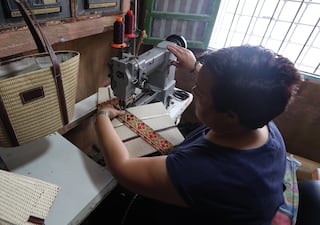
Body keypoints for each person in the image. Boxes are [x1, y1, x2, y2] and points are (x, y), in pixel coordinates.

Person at [94, 44, 302, 225]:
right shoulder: (257, 117)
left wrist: (102, 116)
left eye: (199, 92)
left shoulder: (209, 171)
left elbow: (122, 169)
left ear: (230, 116)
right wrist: (195, 67)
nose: (194, 90)